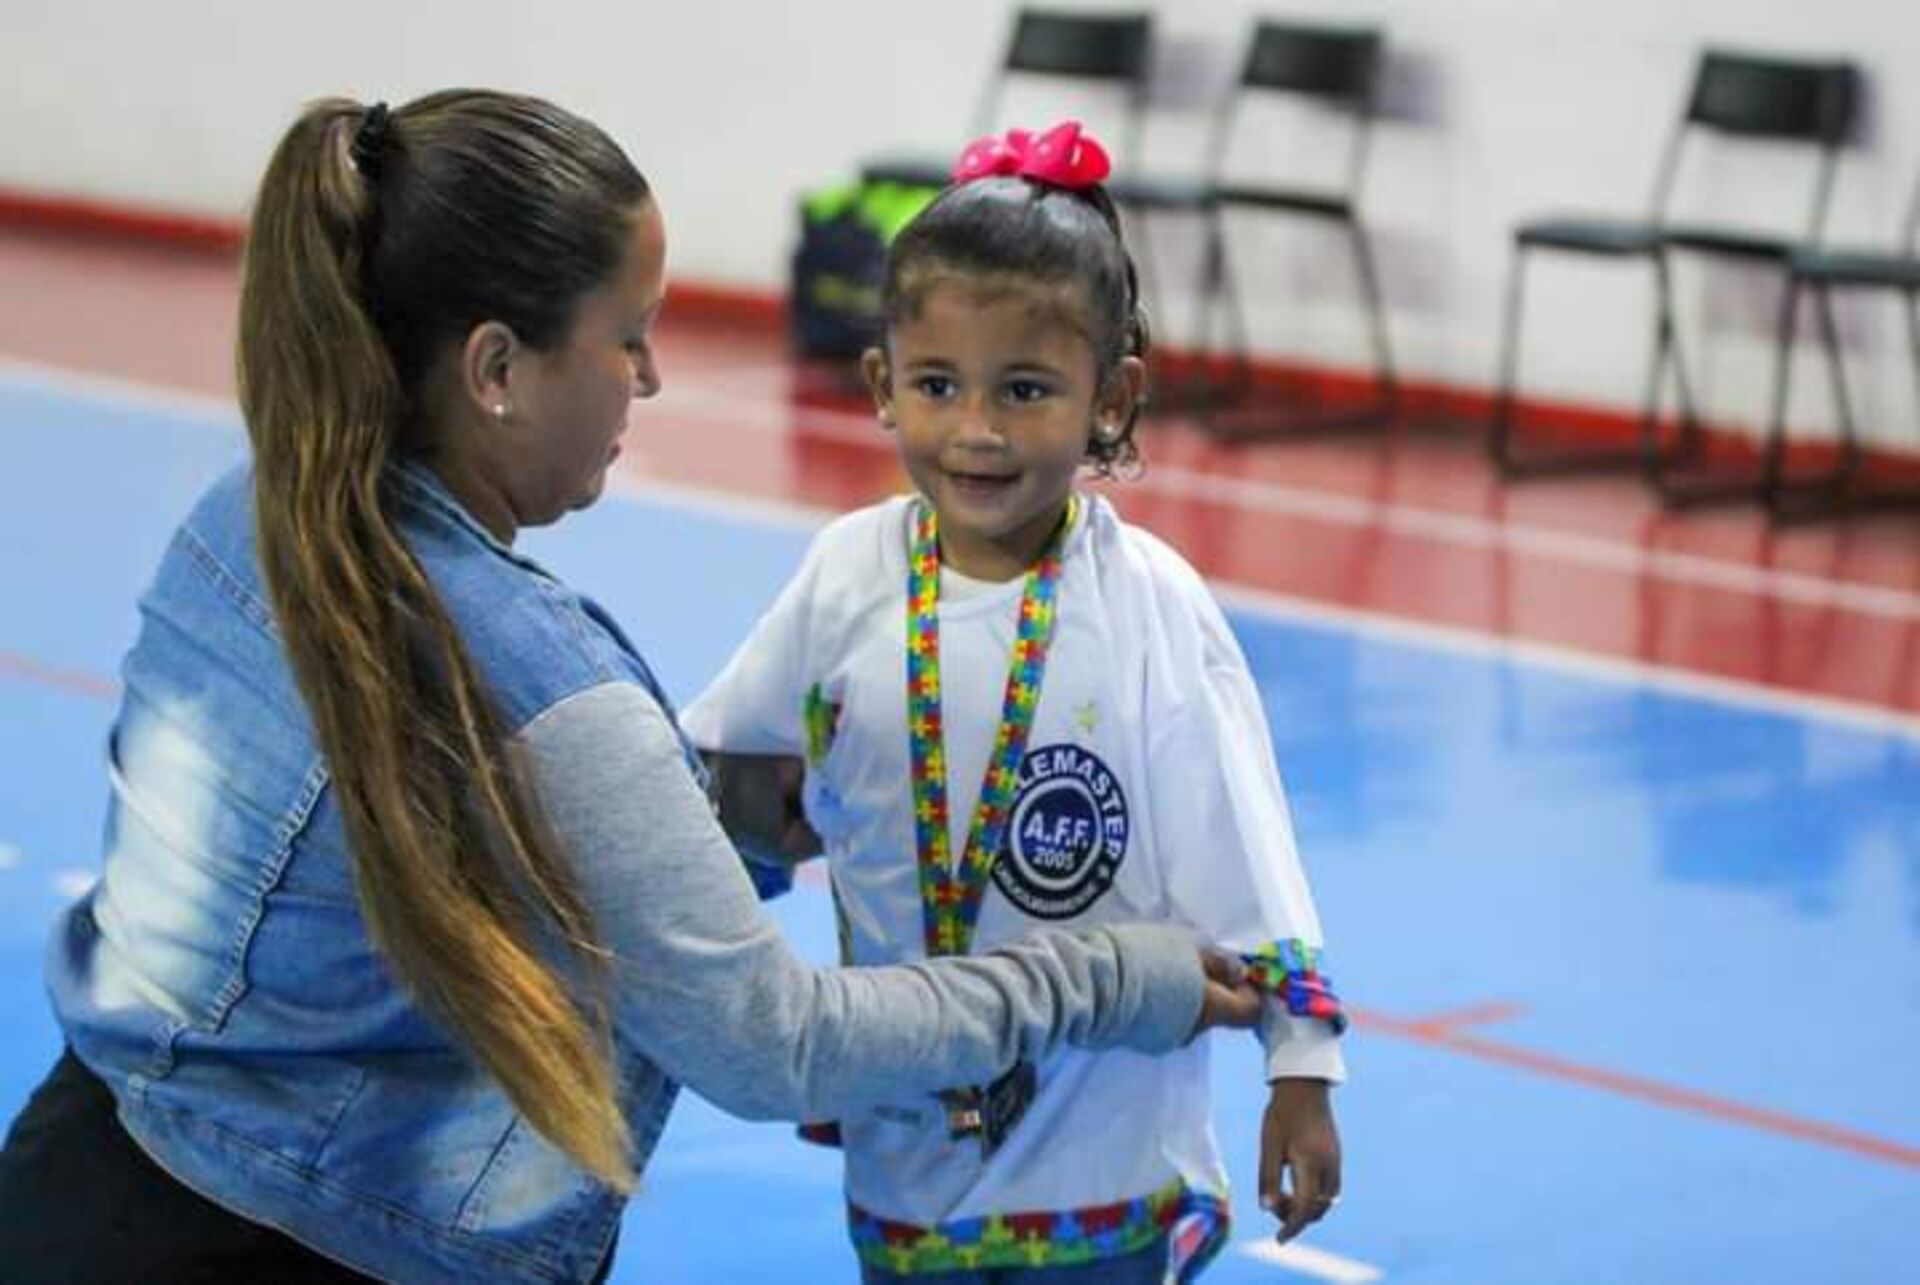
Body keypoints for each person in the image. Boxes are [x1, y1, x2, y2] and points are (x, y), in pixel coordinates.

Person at [0, 93, 1267, 1284]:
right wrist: (1120, 977)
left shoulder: (242, 519)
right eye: (628, 338)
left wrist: (714, 832)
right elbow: (778, 1045)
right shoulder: (547, 680)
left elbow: (436, 843)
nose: (651, 378)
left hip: (73, 1179)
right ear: (498, 367)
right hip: (328, 1246)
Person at [683, 122, 1349, 1284]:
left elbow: (1240, 838)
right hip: (905, 1133)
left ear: (1112, 395)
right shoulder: (846, 575)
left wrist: (1302, 1068)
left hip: (1107, 1148)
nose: (977, 429)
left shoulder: (1148, 602)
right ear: (883, 384)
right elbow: (726, 770)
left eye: (1026, 389)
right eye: (938, 384)